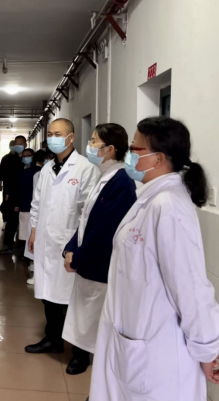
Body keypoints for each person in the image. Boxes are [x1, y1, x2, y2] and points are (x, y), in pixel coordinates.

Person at [89, 117, 219, 401]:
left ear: (159, 158)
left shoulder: (169, 206)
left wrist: (206, 349)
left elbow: (190, 287)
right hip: (135, 339)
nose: (129, 155)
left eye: (135, 149)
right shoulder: (150, 199)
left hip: (157, 355)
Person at [61, 123, 136, 376]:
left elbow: (105, 229)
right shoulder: (103, 176)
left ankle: (87, 359)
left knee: (94, 316)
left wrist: (79, 256)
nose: (90, 145)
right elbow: (86, 219)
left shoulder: (122, 182)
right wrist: (70, 248)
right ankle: (80, 353)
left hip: (100, 264)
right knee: (83, 313)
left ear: (110, 149)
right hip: (88, 261)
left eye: (94, 141)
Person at [25, 118, 99, 360]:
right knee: (49, 295)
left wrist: (77, 246)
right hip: (46, 242)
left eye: (58, 134)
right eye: (50, 134)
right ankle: (53, 339)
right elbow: (36, 204)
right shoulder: (47, 169)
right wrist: (33, 231)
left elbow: (88, 213)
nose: (52, 138)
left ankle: (80, 352)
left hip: (70, 244)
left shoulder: (85, 168)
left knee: (73, 300)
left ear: (71, 137)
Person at [0, 135, 27, 255]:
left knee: (25, 222)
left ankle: (23, 247)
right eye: (17, 144)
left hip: (26, 195)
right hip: (11, 194)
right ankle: (8, 245)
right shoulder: (8, 159)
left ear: (25, 145)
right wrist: (6, 193)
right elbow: (5, 176)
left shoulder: (29, 158)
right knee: (11, 221)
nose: (19, 146)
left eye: (21, 144)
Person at [21, 149, 46, 284]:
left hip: (49, 215)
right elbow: (36, 198)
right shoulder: (38, 174)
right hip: (38, 213)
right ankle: (36, 271)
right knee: (35, 243)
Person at [17, 148, 37, 256]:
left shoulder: (38, 170)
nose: (26, 158)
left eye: (28, 155)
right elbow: (18, 189)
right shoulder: (20, 170)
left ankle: (30, 251)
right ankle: (23, 250)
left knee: (32, 228)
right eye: (24, 156)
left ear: (33, 157)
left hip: (34, 204)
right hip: (24, 204)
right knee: (24, 228)